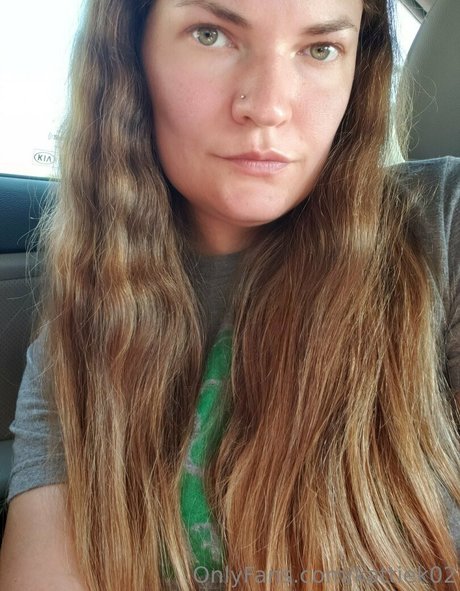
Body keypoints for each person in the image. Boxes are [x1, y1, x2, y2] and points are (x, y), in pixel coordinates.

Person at [0, 0, 459, 589]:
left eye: (320, 49)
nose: (268, 106)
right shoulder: (85, 327)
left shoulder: (441, 227)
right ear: (130, 55)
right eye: (211, 35)